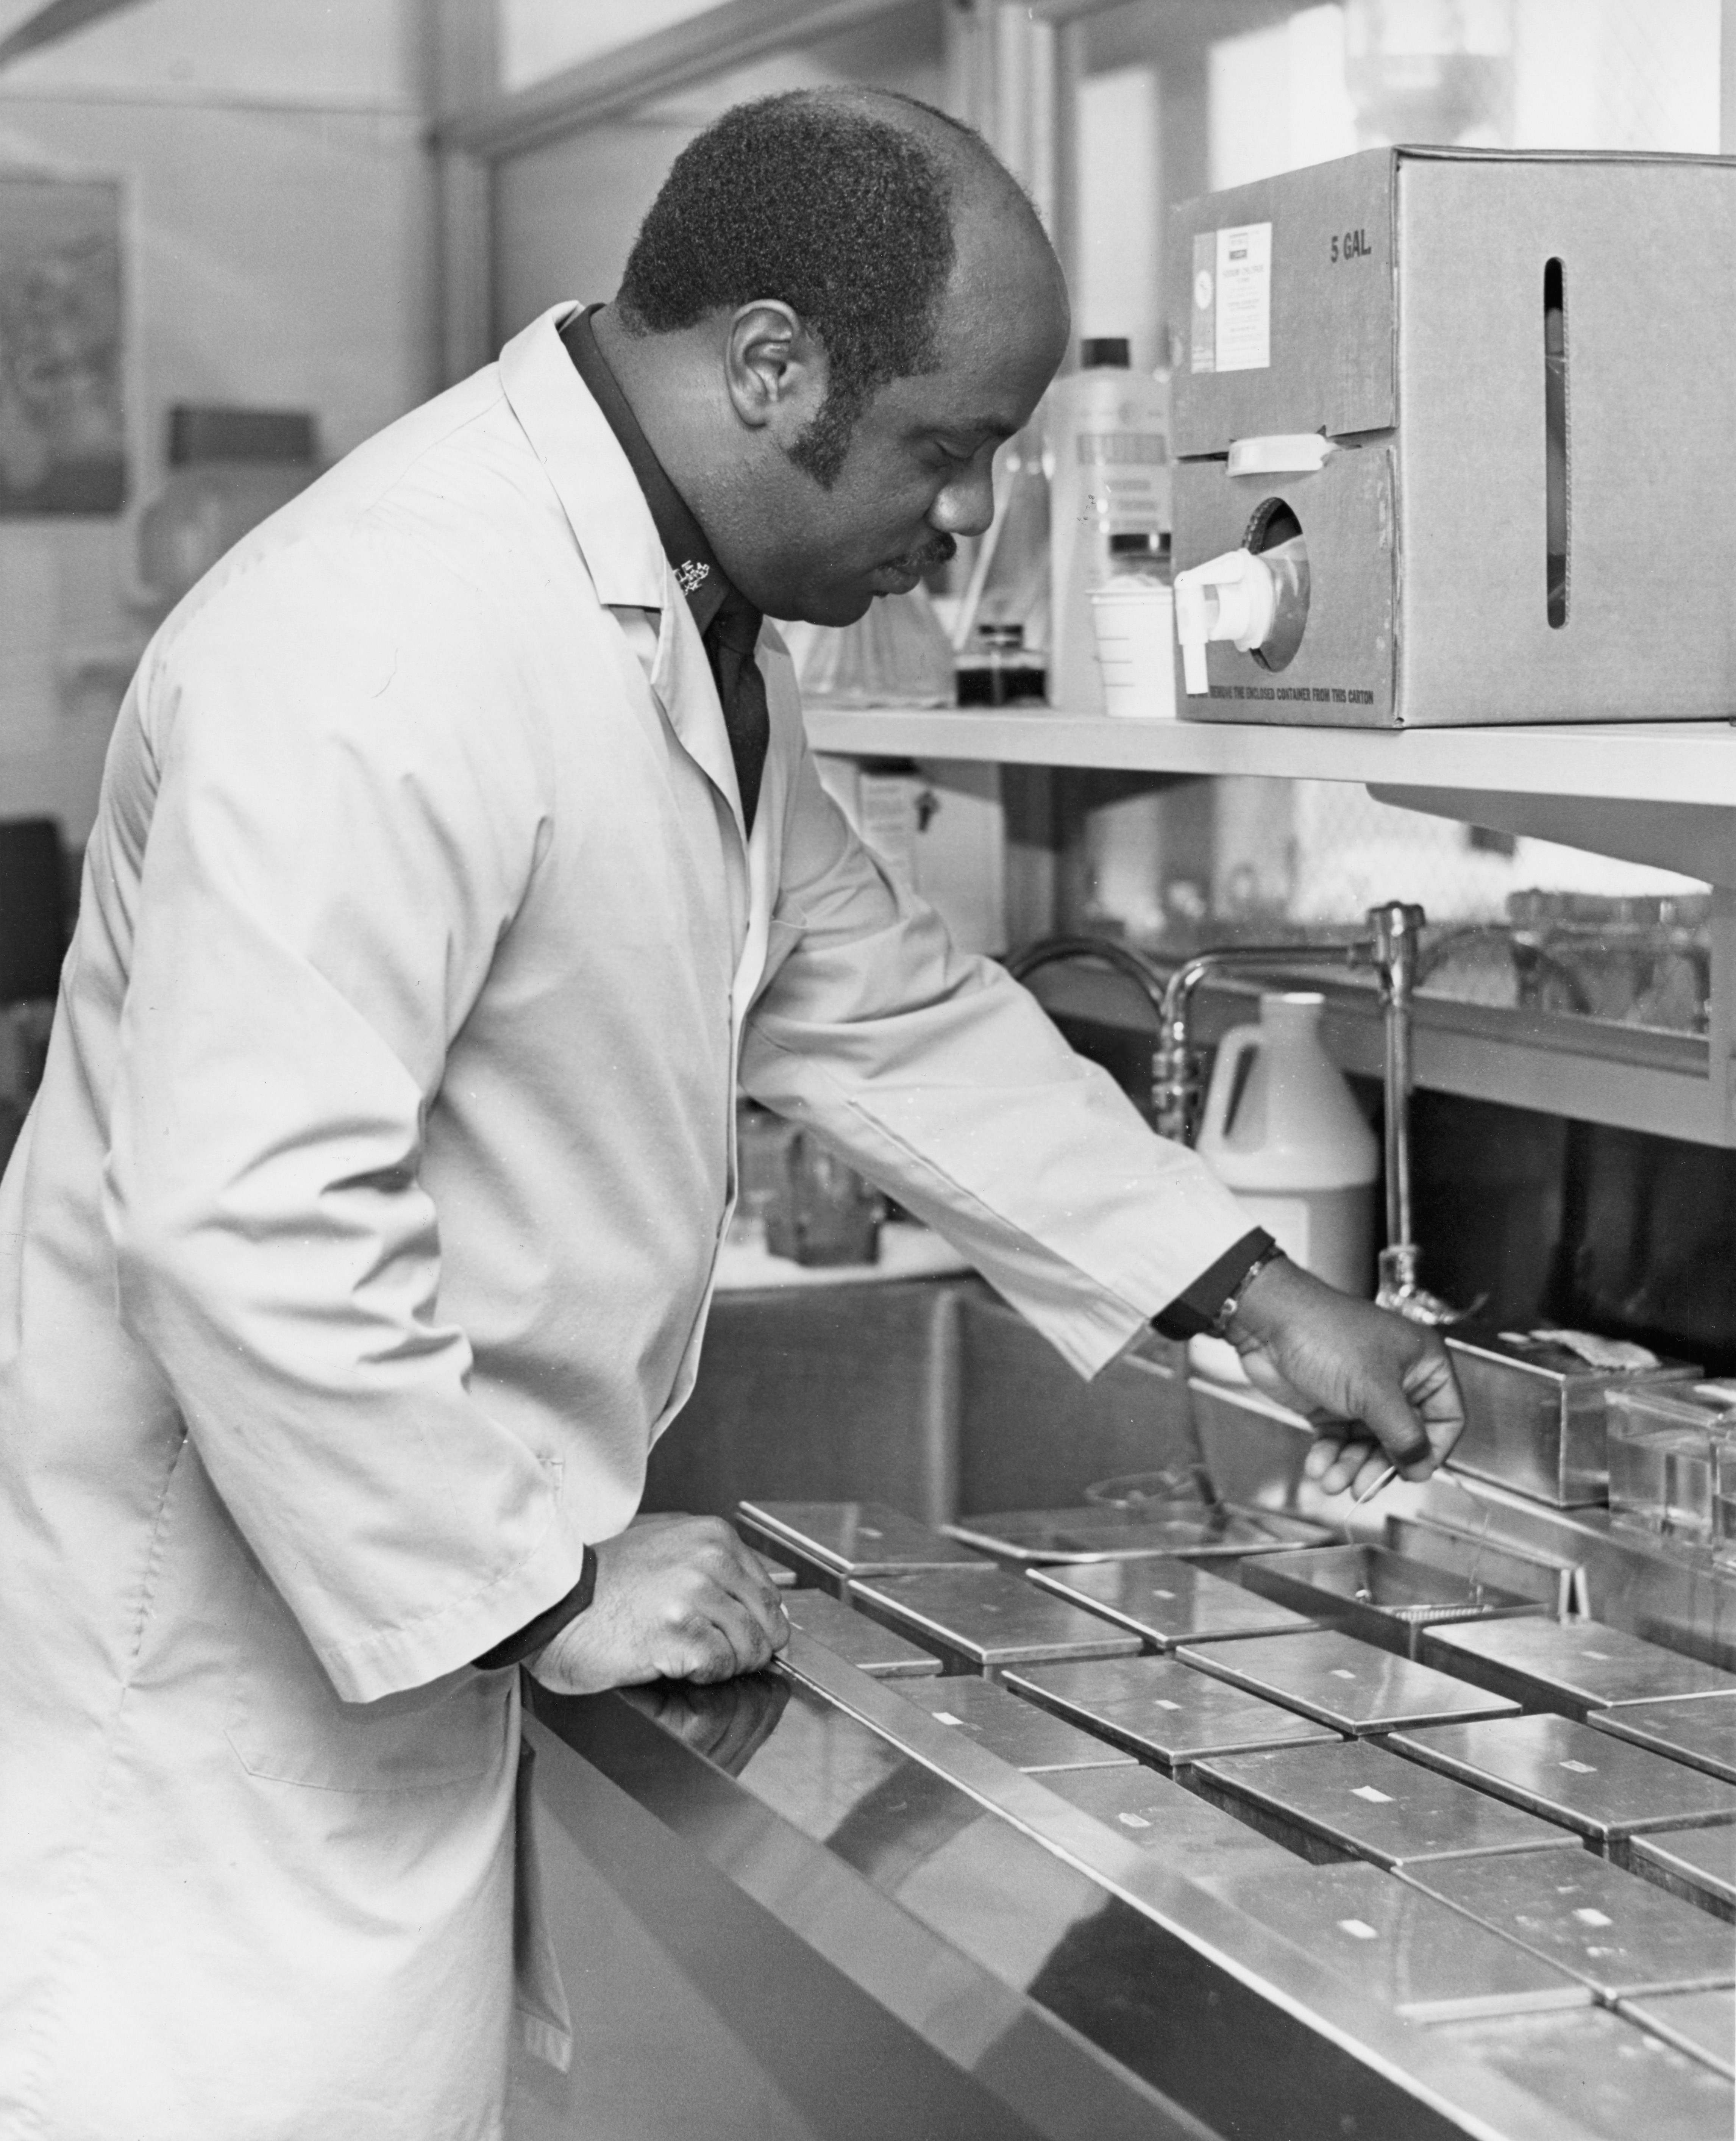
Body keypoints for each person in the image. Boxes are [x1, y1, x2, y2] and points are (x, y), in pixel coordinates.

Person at [0, 88, 1461, 2140]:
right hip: (219, 1696)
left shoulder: (674, 619)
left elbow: (872, 997)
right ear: (770, 366)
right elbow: (242, 1217)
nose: (957, 523)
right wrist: (546, 1591)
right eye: (944, 452)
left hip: (387, 1626)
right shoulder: (374, 639)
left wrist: (1243, 1294)